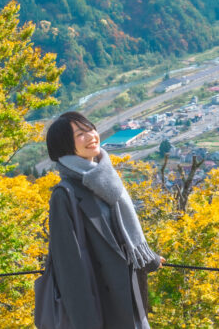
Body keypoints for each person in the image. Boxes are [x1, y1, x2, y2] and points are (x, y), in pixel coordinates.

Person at [43, 111, 164, 329]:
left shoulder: (106, 179)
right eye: (80, 134)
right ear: (64, 145)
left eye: (90, 129)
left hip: (128, 294)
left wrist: (149, 258)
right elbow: (69, 269)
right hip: (101, 304)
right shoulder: (65, 194)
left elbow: (121, 232)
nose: (91, 136)